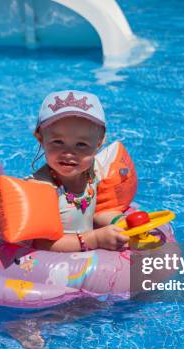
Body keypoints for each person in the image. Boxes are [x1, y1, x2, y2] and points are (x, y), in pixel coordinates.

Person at [30, 90, 129, 252]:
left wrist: (122, 222)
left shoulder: (91, 173)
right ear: (40, 138)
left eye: (81, 144)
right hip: (56, 267)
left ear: (99, 143)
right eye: (58, 141)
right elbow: (42, 243)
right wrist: (95, 239)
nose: (69, 153)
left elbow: (97, 214)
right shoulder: (40, 187)